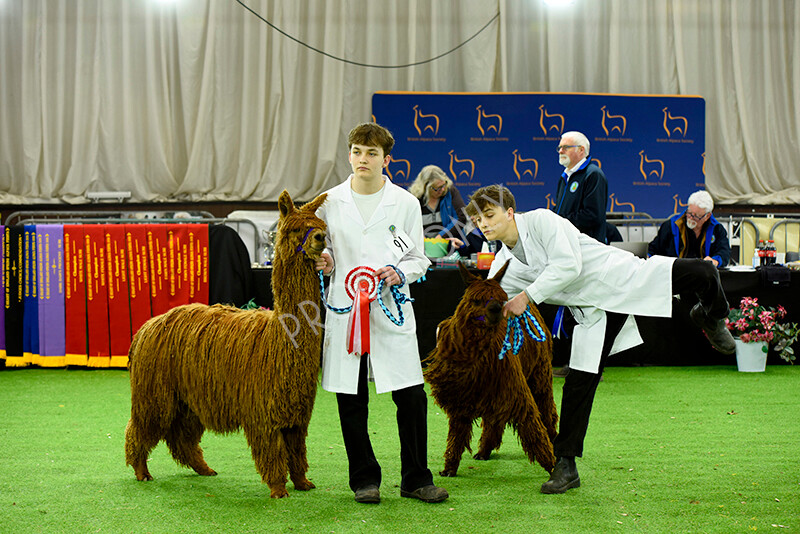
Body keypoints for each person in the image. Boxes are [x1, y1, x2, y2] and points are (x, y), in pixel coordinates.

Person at [464, 184, 735, 495]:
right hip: (592, 313)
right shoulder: (501, 266)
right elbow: (488, 305)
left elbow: (568, 265)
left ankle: (712, 314)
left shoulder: (541, 221)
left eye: (489, 215)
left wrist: (529, 296)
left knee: (703, 272)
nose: (483, 223)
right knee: (580, 381)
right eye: (478, 220)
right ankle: (565, 465)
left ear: (509, 212)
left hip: (620, 278)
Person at [315, 122, 449, 504]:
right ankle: (364, 479)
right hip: (346, 309)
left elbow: (418, 258)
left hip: (390, 307)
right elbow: (324, 251)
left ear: (386, 159)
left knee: (410, 396)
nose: (363, 159)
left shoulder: (406, 204)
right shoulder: (328, 201)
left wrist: (399, 272)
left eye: (371, 153)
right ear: (350, 155)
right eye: (357, 151)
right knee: (351, 397)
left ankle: (417, 478)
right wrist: (324, 261)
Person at [408, 164, 484, 256]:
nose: (443, 189)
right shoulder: (414, 198)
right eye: (437, 188)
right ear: (425, 187)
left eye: (444, 185)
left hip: (451, 248)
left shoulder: (451, 192)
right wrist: (420, 238)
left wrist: (441, 236)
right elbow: (408, 223)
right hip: (422, 251)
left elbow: (461, 217)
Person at [648, 190, 731, 268]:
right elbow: (653, 249)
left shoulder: (717, 229)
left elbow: (724, 252)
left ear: (707, 216)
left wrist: (714, 261)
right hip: (676, 276)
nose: (691, 218)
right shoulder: (671, 226)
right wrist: (647, 257)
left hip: (704, 276)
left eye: (696, 216)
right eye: (689, 213)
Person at [552, 131, 609, 243]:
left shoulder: (593, 174)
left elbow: (592, 215)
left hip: (587, 246)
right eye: (559, 147)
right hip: (566, 244)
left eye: (566, 147)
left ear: (581, 150)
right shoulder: (565, 176)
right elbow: (559, 209)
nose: (560, 151)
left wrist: (560, 223)